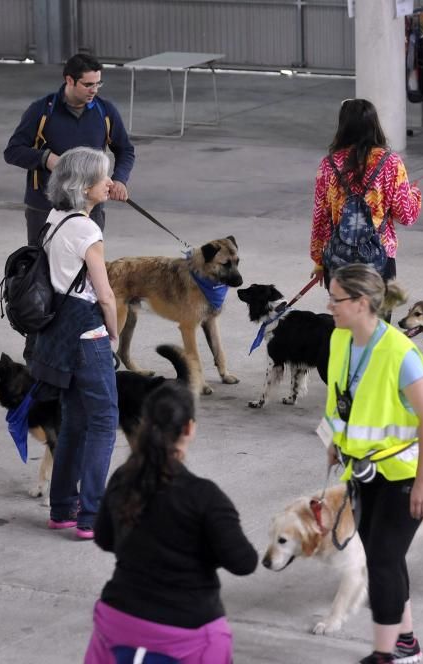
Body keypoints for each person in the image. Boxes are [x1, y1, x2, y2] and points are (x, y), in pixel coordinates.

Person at [318, 263, 423, 664]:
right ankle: (404, 642)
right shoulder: (340, 339)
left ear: (360, 302)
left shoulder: (400, 353)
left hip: (404, 475)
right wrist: (338, 440)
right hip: (364, 470)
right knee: (382, 556)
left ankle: (386, 654)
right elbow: (345, 397)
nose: (330, 305)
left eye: (336, 299)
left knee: (384, 561)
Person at [85, 382, 258, 664]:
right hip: (188, 632)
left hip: (118, 621)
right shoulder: (205, 497)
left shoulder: (122, 479)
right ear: (189, 428)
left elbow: (104, 538)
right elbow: (244, 562)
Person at [28, 146, 119, 539]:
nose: (110, 184)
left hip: (58, 334)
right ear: (83, 186)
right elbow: (105, 294)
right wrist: (113, 332)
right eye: (103, 179)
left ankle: (63, 507)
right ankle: (92, 514)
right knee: (104, 422)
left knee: (75, 423)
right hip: (87, 333)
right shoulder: (87, 230)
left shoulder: (54, 219)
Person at [4, 53, 135, 245]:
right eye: (88, 84)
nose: (94, 90)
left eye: (98, 84)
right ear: (69, 80)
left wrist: (120, 179)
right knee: (40, 268)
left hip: (90, 206)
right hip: (45, 206)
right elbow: (13, 151)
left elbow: (125, 150)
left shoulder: (105, 112)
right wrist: (47, 159)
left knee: (88, 267)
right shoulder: (41, 111)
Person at [310, 98, 422, 287]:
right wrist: (414, 194)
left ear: (343, 126)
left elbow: (320, 217)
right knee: (379, 317)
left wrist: (319, 261)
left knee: (345, 316)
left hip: (338, 260)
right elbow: (406, 216)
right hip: (379, 259)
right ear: (374, 125)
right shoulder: (391, 163)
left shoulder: (328, 165)